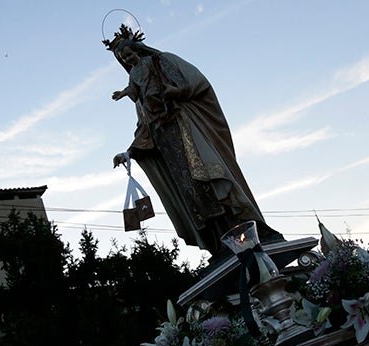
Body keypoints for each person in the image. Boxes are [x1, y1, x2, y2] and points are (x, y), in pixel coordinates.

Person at [105, 25, 281, 257]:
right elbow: (144, 127)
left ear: (137, 49)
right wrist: (129, 152)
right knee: (195, 196)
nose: (127, 60)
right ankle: (221, 245)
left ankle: (250, 231)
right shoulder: (138, 91)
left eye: (128, 54)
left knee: (212, 180)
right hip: (167, 145)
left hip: (185, 128)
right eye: (122, 58)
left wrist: (174, 92)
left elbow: (195, 84)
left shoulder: (162, 61)